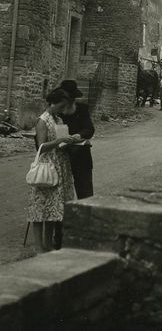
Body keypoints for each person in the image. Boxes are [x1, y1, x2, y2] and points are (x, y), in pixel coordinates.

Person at [27, 88, 82, 253]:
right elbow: (41, 147)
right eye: (61, 106)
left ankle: (48, 244)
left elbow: (60, 142)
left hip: (59, 166)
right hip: (47, 167)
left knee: (52, 207)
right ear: (52, 103)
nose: (63, 110)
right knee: (40, 207)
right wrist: (59, 141)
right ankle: (38, 247)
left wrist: (69, 141)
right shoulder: (42, 120)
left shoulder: (57, 119)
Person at [53, 80, 95, 250]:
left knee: (85, 194)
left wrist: (77, 136)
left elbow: (89, 129)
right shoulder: (56, 111)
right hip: (61, 158)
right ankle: (60, 236)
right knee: (60, 197)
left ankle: (86, 234)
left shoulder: (82, 109)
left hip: (81, 157)